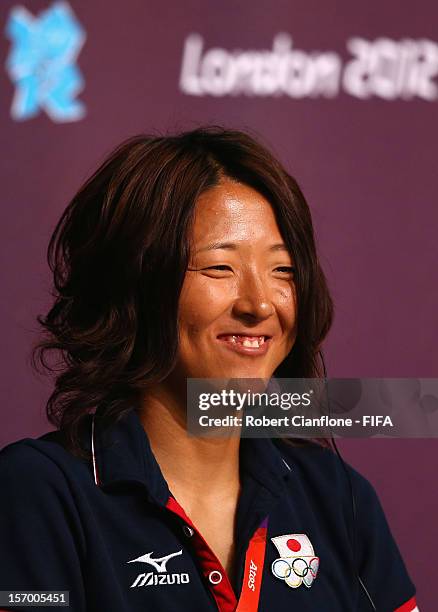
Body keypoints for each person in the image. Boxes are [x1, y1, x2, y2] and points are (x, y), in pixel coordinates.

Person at [0, 126, 418, 611]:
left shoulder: (337, 495)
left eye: (282, 270)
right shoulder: (37, 492)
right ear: (135, 287)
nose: (260, 303)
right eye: (220, 268)